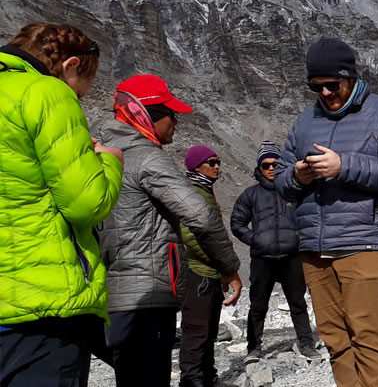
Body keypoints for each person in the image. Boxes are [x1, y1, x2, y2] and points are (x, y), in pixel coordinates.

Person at [276, 37, 378, 387]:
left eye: (331, 85)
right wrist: (297, 175)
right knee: (335, 339)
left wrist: (344, 166)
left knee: (366, 333)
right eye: (316, 87)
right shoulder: (304, 122)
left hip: (368, 242)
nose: (324, 93)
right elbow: (280, 180)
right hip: (316, 248)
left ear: (351, 77)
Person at [92, 74, 242, 387]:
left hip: (105, 295)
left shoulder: (94, 154)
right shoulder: (146, 158)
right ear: (148, 115)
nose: (176, 122)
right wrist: (229, 268)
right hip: (149, 293)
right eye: (172, 115)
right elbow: (201, 217)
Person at [0, 23, 124, 387]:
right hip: (42, 302)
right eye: (84, 85)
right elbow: (87, 203)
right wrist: (108, 161)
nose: (82, 96)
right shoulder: (47, 93)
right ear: (71, 65)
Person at [230, 141, 318, 363]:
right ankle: (254, 348)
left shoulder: (295, 191)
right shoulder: (250, 195)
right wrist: (255, 240)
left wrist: (301, 239)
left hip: (292, 257)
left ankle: (306, 344)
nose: (270, 168)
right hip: (263, 258)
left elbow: (311, 216)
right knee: (258, 305)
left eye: (275, 164)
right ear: (259, 168)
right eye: (265, 165)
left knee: (297, 303)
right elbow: (237, 223)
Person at [178, 145, 243, 387]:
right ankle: (192, 381)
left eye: (218, 162)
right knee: (197, 330)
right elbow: (192, 236)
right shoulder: (194, 192)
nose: (217, 167)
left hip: (209, 272)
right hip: (198, 272)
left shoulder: (204, 191)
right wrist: (221, 265)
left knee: (207, 330)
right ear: (196, 166)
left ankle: (206, 377)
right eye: (211, 162)